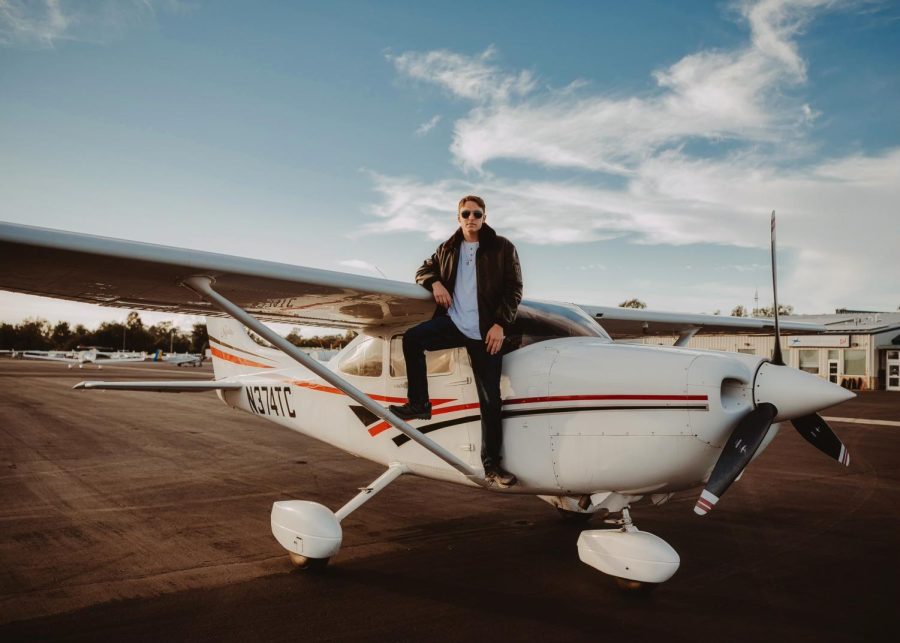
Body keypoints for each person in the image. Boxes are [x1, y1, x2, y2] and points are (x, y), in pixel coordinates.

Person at [389, 195, 523, 488]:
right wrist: (434, 282)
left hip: (487, 332)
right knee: (412, 339)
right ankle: (419, 404)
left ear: (484, 217)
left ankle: (493, 467)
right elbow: (423, 270)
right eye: (466, 213)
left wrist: (500, 324)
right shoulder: (447, 248)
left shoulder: (502, 247)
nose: (471, 218)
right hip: (455, 323)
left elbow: (514, 290)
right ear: (458, 217)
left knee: (490, 402)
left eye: (477, 213)